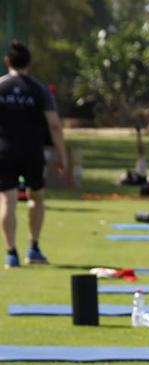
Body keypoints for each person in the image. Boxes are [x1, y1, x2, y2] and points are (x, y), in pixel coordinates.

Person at [0, 41, 67, 268]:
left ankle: (11, 253)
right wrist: (62, 154)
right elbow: (55, 125)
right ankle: (34, 248)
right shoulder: (39, 89)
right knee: (36, 197)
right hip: (32, 152)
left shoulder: (0, 86)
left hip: (4, 152)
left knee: (7, 201)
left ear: (7, 61)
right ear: (29, 63)